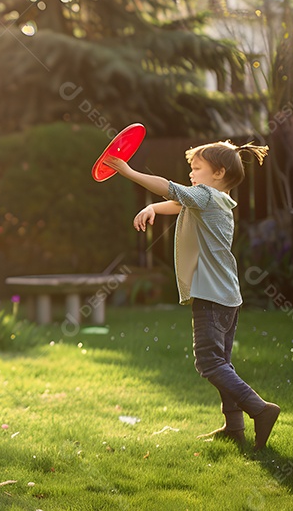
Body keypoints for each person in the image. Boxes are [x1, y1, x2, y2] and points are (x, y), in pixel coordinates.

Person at [105, 141, 280, 450]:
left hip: (211, 297)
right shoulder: (218, 199)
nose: (191, 172)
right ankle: (234, 426)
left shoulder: (206, 197)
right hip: (227, 296)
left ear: (219, 172)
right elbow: (177, 202)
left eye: (197, 168)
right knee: (222, 362)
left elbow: (170, 190)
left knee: (209, 363)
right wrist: (151, 208)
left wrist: (128, 171)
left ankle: (260, 409)